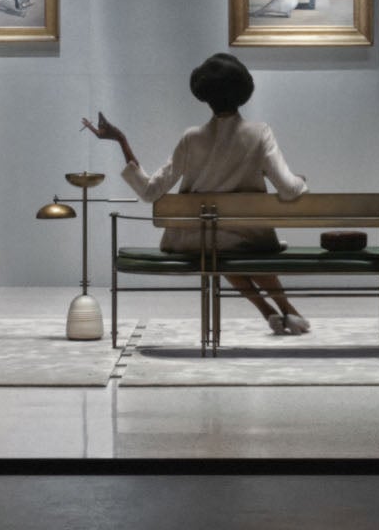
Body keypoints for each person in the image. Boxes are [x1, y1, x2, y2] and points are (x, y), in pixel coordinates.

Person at [81, 53, 312, 334]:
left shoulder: (191, 138)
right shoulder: (259, 133)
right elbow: (289, 189)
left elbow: (150, 191)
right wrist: (301, 181)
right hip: (244, 238)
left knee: (217, 245)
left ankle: (270, 313)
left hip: (193, 239)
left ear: (204, 96)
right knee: (237, 242)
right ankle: (289, 310)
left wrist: (121, 140)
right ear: (244, 91)